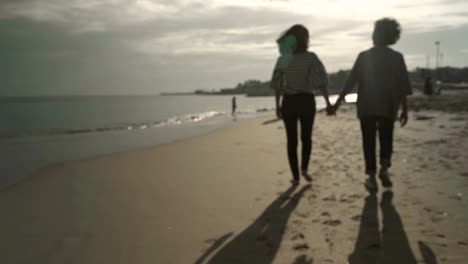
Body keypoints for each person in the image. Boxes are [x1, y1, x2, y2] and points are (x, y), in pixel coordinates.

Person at [332, 18, 412, 192]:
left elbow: (350, 83)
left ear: (377, 35)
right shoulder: (397, 57)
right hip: (388, 105)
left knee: (368, 141)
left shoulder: (364, 56)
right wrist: (404, 109)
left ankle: (371, 176)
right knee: (386, 137)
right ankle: (384, 168)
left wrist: (336, 104)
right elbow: (403, 86)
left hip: (367, 106)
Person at [271, 24, 333, 185]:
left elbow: (277, 85)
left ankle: (296, 176)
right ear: (304, 39)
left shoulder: (284, 59)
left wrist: (277, 105)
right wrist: (328, 103)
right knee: (307, 138)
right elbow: (321, 82)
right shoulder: (311, 57)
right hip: (306, 101)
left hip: (289, 102)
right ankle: (304, 169)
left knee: (291, 140)